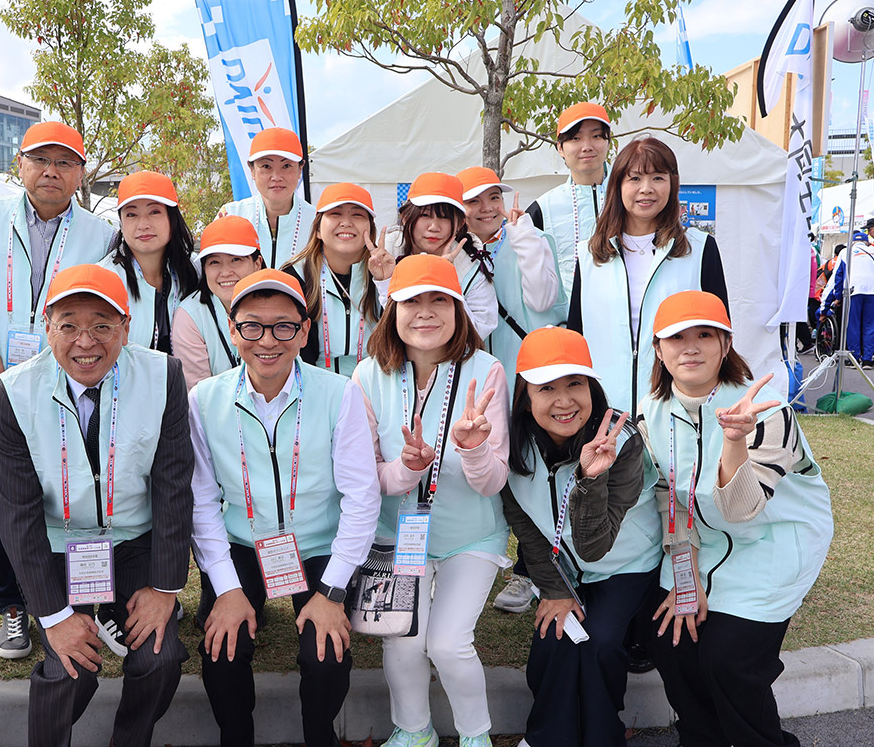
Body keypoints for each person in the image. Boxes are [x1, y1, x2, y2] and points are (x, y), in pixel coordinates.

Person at [0, 264, 193, 747]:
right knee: (68, 668)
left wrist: (164, 588)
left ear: (126, 325)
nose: (86, 342)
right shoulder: (12, 392)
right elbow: (16, 515)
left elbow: (172, 487)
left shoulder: (163, 376)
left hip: (132, 540)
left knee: (159, 656)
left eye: (102, 325)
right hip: (59, 545)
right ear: (47, 326)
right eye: (69, 325)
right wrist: (54, 618)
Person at [189, 269, 381, 747]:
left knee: (326, 653)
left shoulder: (339, 393)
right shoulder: (204, 399)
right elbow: (202, 502)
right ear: (233, 330)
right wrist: (226, 588)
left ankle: (320, 738)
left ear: (304, 331)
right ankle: (236, 739)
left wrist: (332, 592)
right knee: (221, 646)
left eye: (283, 326)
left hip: (318, 544)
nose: (267, 340)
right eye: (252, 326)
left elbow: (361, 497)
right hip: (243, 543)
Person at [0, 119, 115, 660]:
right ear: (18, 164)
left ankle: (78, 597)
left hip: (66, 380)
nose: (51, 171)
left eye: (65, 162)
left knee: (69, 483)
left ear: (80, 173)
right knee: (0, 489)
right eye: (40, 159)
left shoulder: (101, 233)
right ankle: (12, 605)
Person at [639, 290, 833, 747]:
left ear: (725, 345)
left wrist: (734, 442)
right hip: (702, 544)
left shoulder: (767, 412)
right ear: (658, 350)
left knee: (728, 660)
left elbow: (742, 509)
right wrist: (687, 576)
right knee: (669, 640)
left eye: (705, 335)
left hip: (773, 543)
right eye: (676, 337)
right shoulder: (650, 412)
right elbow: (670, 497)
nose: (690, 347)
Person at [353, 254, 510, 747]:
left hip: (472, 536)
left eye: (439, 300)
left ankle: (475, 736)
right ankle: (414, 730)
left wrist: (473, 448)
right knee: (402, 640)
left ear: (458, 309)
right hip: (398, 535)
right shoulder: (366, 376)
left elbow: (494, 481)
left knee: (447, 643)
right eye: (411, 301)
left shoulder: (486, 370)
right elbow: (365, 476)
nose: (425, 312)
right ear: (392, 311)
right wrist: (407, 469)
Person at [501, 326, 660, 747]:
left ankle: (603, 737)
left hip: (625, 565)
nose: (564, 400)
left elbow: (595, 546)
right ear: (525, 397)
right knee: (553, 639)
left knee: (601, 642)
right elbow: (527, 529)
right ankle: (546, 738)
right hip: (565, 569)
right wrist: (554, 589)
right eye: (547, 388)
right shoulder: (512, 444)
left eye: (575, 383)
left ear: (592, 387)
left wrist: (591, 478)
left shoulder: (621, 441)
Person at [456, 167, 563, 615]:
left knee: (539, 471)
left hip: (532, 376)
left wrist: (523, 238)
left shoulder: (531, 238)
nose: (486, 209)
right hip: (482, 383)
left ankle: (532, 572)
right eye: (474, 201)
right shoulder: (456, 254)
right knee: (499, 473)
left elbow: (543, 300)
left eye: (493, 198)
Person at [568, 136, 728, 416]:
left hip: (678, 408)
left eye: (658, 178)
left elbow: (721, 334)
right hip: (604, 410)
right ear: (617, 185)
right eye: (635, 178)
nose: (646, 189)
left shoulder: (700, 249)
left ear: (672, 183)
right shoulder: (590, 254)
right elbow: (576, 336)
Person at [384, 172, 500, 341]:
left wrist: (447, 279)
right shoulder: (387, 255)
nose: (434, 227)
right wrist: (383, 281)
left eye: (444, 217)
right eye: (425, 215)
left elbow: (480, 330)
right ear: (406, 217)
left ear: (460, 223)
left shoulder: (472, 264)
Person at [285, 182, 383, 377]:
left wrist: (386, 283)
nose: (346, 222)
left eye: (357, 215)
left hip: (375, 386)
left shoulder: (386, 274)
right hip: (312, 384)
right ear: (318, 230)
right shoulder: (294, 277)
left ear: (371, 231)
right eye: (335, 214)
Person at [99, 170, 199, 354]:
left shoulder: (196, 270)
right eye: (131, 214)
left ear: (172, 218)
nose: (143, 224)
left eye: (154, 212)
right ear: (121, 222)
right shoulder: (104, 280)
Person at [526, 102, 613, 300]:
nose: (587, 146)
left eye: (596, 136)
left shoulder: (631, 198)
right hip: (567, 317)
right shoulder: (543, 209)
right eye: (575, 138)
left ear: (608, 142)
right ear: (560, 148)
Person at [171, 215, 264, 391]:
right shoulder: (190, 316)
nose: (225, 272)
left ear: (257, 263)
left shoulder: (279, 305)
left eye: (236, 259)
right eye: (214, 262)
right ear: (204, 268)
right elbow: (198, 392)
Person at [218, 127, 316, 268]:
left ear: (300, 169)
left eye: (286, 166)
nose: (276, 177)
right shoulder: (231, 215)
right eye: (266, 166)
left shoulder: (316, 221)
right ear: (252, 170)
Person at [819, 224, 874, 365]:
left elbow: (838, 278)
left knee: (853, 325)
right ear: (866, 242)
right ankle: (867, 360)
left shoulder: (845, 252)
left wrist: (836, 299)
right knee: (870, 325)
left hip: (854, 290)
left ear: (852, 242)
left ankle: (854, 357)